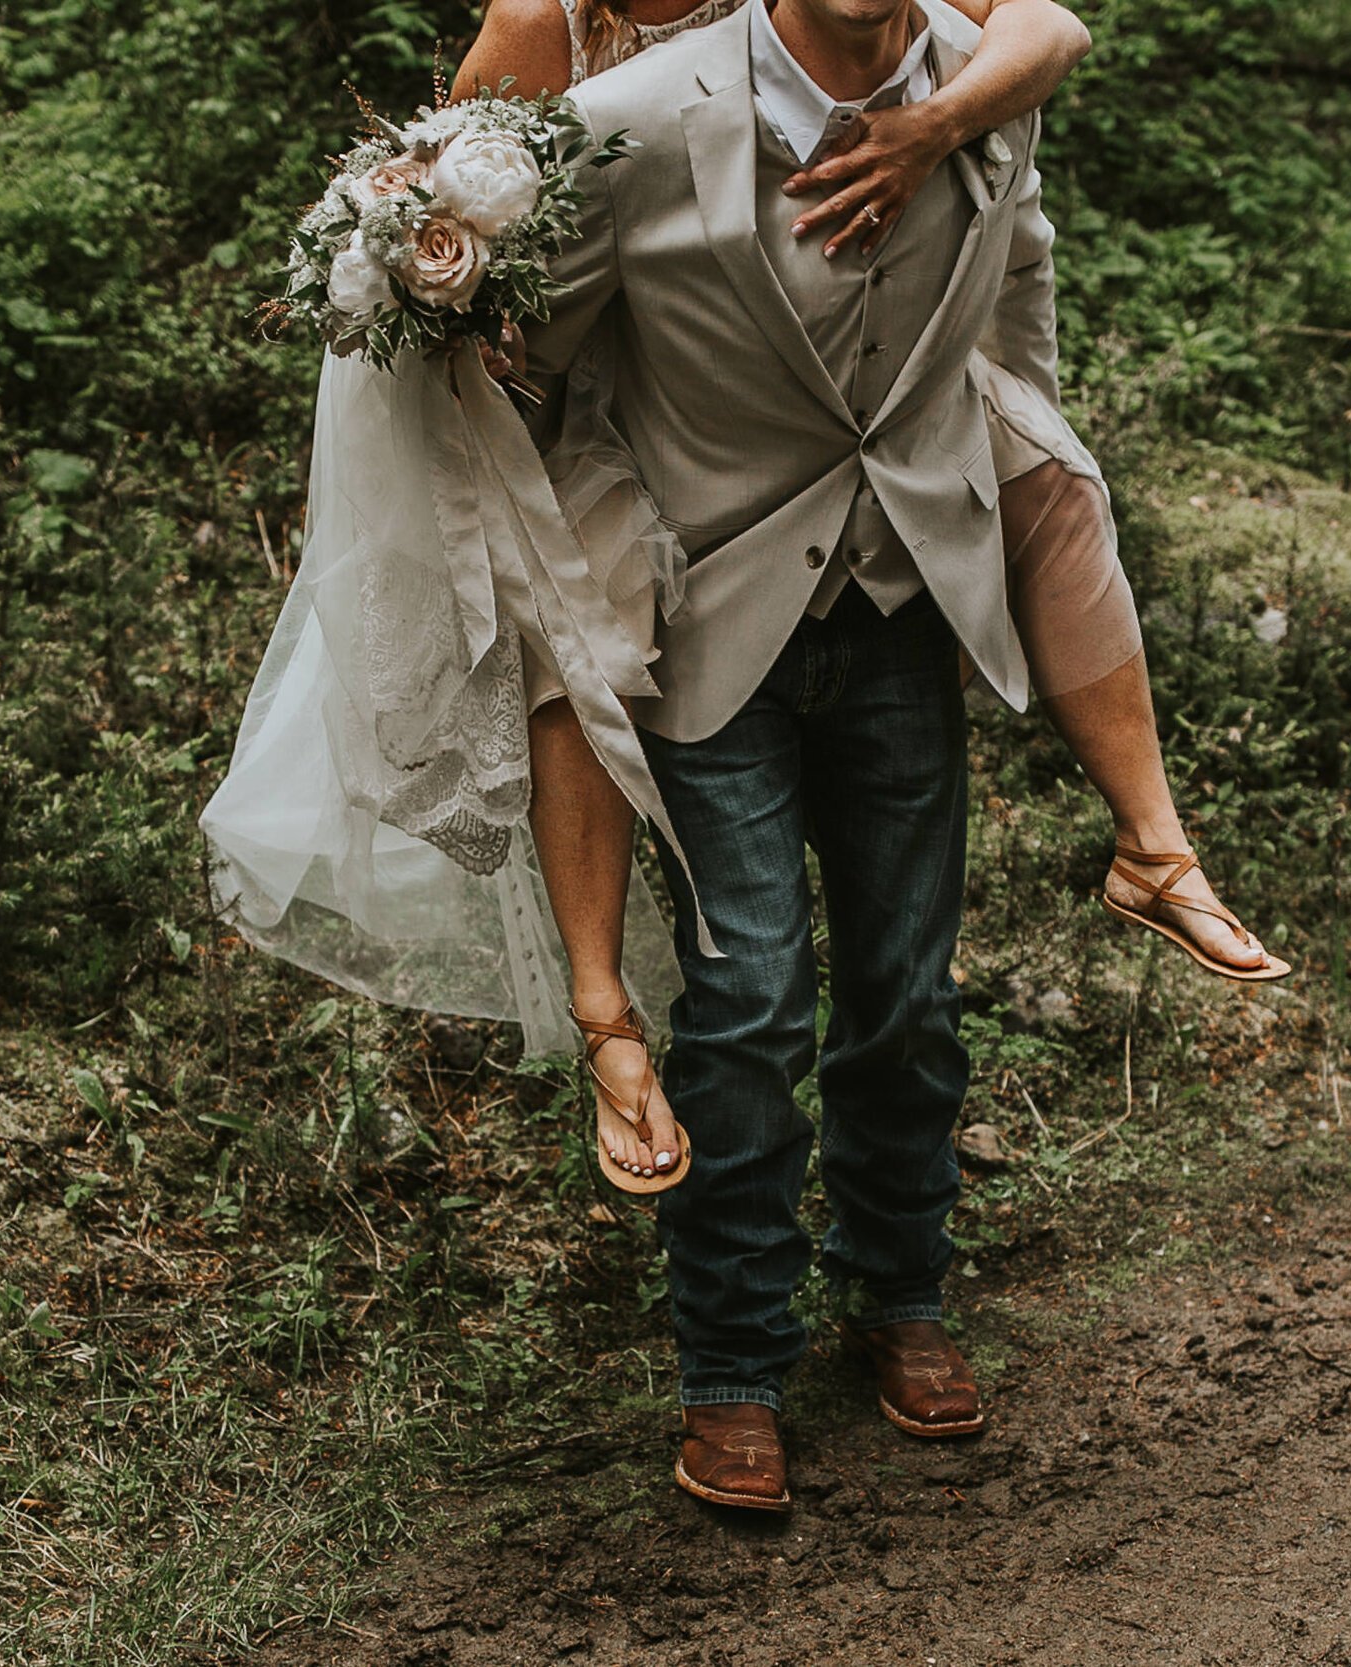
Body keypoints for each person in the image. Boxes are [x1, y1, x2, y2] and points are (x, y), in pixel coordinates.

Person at [455, 0, 1287, 1200]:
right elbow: (490, 258)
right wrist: (465, 319)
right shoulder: (571, 52)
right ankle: (615, 1035)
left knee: (907, 989)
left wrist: (935, 128)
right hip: (678, 512)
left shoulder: (937, 59)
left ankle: (905, 1262)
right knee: (743, 979)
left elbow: (1046, 45)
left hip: (889, 544)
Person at [512, 0, 1107, 1512]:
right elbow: (533, 365)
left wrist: (1017, 504)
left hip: (905, 604)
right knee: (751, 995)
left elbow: (1016, 299)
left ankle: (900, 1290)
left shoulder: (976, 86)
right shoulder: (634, 118)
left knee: (908, 987)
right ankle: (731, 1361)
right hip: (709, 626)